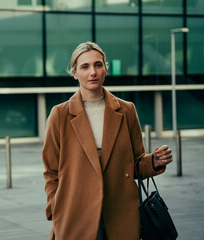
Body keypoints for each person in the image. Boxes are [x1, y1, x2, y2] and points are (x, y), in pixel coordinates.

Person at [42, 42, 173, 240]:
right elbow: (51, 171)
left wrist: (154, 162)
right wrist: (56, 208)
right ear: (75, 73)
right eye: (85, 67)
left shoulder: (126, 110)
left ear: (105, 69)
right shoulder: (60, 115)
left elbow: (136, 164)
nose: (92, 72)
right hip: (75, 215)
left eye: (98, 65)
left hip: (120, 213)